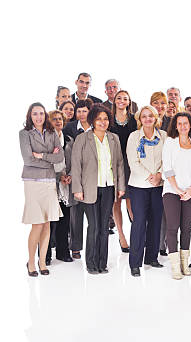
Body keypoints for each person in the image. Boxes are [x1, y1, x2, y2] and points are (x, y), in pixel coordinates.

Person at [71, 104, 125, 274]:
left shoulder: (114, 139)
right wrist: (77, 189)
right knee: (93, 226)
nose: (103, 122)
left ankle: (103, 263)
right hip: (89, 188)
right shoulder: (82, 139)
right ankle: (91, 263)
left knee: (104, 227)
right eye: (99, 119)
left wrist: (121, 186)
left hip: (109, 188)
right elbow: (76, 165)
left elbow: (119, 164)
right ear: (93, 120)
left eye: (105, 119)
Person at [21, 103, 64, 276]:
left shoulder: (52, 132)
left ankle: (42, 261)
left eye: (41, 114)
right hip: (33, 182)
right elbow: (28, 160)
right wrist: (49, 158)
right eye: (35, 114)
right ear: (30, 116)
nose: (38, 117)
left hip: (49, 181)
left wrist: (41, 155)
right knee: (37, 223)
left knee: (47, 223)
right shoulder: (24, 134)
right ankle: (31, 263)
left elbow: (60, 156)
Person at [126, 106, 167, 277]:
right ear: (140, 119)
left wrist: (159, 175)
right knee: (139, 222)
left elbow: (169, 159)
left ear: (156, 118)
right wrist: (150, 176)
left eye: (151, 116)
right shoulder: (134, 137)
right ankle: (135, 263)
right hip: (139, 186)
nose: (148, 119)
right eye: (144, 116)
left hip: (158, 185)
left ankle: (152, 257)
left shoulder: (163, 136)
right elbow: (133, 161)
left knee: (156, 221)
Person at [162, 113, 191, 279]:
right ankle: (175, 266)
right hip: (172, 191)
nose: (183, 126)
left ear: (190, 125)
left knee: (186, 228)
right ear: (176, 126)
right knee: (172, 228)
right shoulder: (170, 143)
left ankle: (185, 263)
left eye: (186, 123)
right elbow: (167, 167)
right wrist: (178, 189)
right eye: (180, 124)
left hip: (190, 192)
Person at [62, 99, 93, 260]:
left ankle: (93, 246)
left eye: (84, 111)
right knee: (76, 212)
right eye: (78, 111)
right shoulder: (69, 128)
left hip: (93, 176)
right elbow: (66, 153)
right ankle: (75, 247)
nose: (81, 114)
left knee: (93, 213)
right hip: (75, 174)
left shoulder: (97, 127)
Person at [109, 90, 137, 252]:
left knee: (131, 202)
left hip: (131, 163)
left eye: (125, 99)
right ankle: (121, 236)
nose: (121, 101)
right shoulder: (109, 120)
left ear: (129, 102)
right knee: (116, 201)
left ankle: (136, 234)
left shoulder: (134, 120)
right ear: (114, 101)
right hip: (114, 163)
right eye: (119, 98)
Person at [46, 110, 74, 263]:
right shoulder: (45, 140)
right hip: (50, 184)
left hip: (65, 186)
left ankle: (63, 252)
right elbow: (44, 163)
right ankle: (45, 255)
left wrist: (69, 176)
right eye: (54, 119)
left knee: (64, 221)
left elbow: (73, 161)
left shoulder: (69, 140)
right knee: (49, 223)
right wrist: (58, 177)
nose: (58, 122)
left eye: (60, 119)